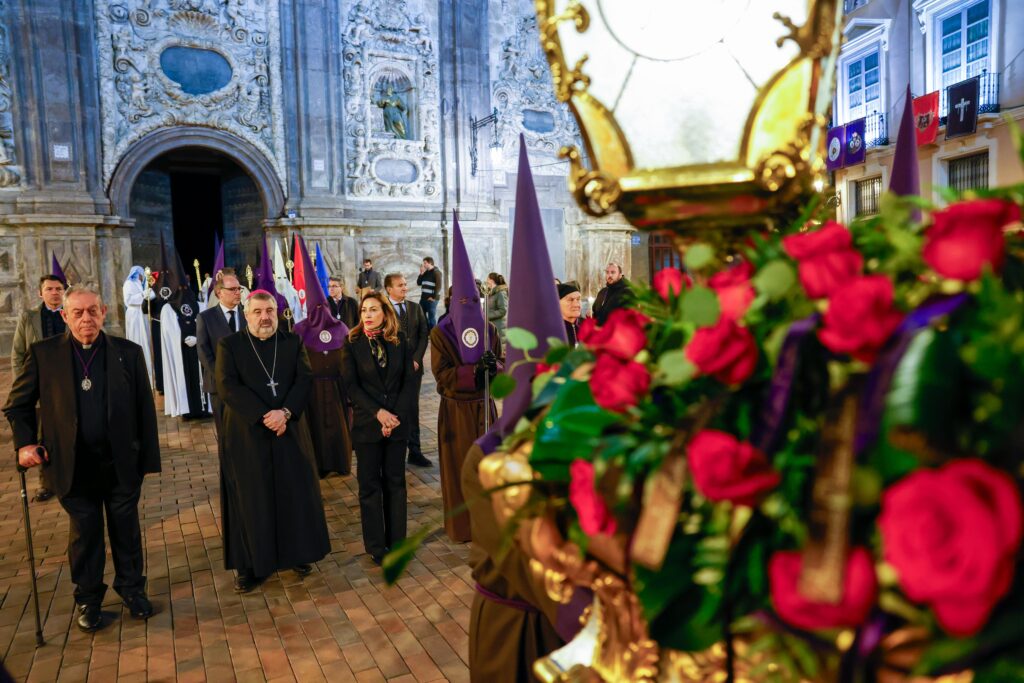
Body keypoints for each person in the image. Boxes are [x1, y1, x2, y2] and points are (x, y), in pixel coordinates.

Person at [4, 285, 160, 632]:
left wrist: (147, 460)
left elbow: (144, 411)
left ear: (104, 312)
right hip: (72, 465)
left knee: (126, 532)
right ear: (65, 316)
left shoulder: (127, 352)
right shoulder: (44, 355)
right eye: (78, 312)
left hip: (120, 463)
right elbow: (17, 404)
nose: (86, 318)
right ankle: (89, 598)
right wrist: (25, 444)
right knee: (85, 535)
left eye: (93, 311)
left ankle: (132, 590)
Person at [215, 290, 331, 593]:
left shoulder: (292, 342)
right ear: (246, 313)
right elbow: (226, 385)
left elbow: (304, 379)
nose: (265, 317)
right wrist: (264, 415)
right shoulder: (230, 345)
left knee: (293, 492)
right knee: (251, 498)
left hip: (288, 429)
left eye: (270, 311)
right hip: (247, 433)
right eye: (258, 312)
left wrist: (285, 413)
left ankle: (298, 553)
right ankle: (251, 565)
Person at [340, 292, 417, 565]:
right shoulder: (352, 343)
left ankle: (397, 543)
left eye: (373, 309)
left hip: (397, 423)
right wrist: (379, 413)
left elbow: (409, 382)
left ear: (385, 312)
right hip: (367, 425)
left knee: (395, 483)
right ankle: (376, 546)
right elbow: (352, 386)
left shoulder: (401, 341)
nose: (368, 315)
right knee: (370, 486)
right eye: (364, 311)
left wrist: (394, 416)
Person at [431, 290, 501, 542]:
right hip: (456, 411)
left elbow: (501, 366)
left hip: (483, 406)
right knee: (459, 467)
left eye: (474, 299)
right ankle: (463, 527)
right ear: (451, 302)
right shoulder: (440, 333)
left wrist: (494, 367)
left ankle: (489, 524)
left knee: (487, 466)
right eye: (462, 300)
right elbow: (441, 375)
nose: (469, 305)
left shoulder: (490, 330)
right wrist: (473, 371)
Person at [294, 242, 354, 477]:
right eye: (315, 307)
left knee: (340, 427)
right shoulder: (300, 330)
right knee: (316, 428)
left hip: (338, 387)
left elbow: (349, 357)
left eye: (323, 306)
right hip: (313, 389)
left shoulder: (340, 328)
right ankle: (320, 465)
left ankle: (341, 463)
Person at [10, 274, 67, 502]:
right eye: (50, 289)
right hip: (41, 384)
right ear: (40, 293)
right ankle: (47, 482)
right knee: (45, 435)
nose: (54, 292)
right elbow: (17, 354)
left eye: (58, 288)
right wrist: (22, 385)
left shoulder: (70, 314)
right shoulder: (30, 317)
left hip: (67, 382)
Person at [385, 273, 430, 468]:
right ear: (389, 289)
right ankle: (393, 453)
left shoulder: (415, 307)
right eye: (400, 285)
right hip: (391, 371)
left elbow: (423, 334)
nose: (405, 288)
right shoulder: (382, 310)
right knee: (393, 409)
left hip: (413, 368)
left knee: (412, 409)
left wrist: (416, 358)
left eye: (405, 284)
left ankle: (415, 451)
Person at [160, 253, 209, 419]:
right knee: (185, 379)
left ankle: (203, 409)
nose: (183, 292)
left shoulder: (200, 305)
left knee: (201, 378)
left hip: (199, 350)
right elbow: (168, 333)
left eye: (185, 289)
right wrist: (180, 339)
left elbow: (207, 328)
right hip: (180, 352)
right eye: (179, 289)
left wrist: (198, 338)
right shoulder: (168, 309)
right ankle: (187, 409)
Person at [197, 268, 243, 434]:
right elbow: (203, 351)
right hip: (219, 384)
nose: (237, 292)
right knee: (226, 431)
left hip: (247, 383)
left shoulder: (248, 313)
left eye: (239, 289)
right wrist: (221, 374)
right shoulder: (206, 317)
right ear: (219, 293)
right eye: (232, 289)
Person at [122, 266, 156, 387]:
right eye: (140, 274)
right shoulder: (128, 283)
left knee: (145, 341)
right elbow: (128, 300)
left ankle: (150, 373)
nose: (141, 276)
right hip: (134, 315)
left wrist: (148, 292)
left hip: (142, 315)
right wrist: (142, 295)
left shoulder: (140, 283)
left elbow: (151, 295)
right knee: (136, 339)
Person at [417, 256, 442, 329]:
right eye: (423, 263)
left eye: (425, 263)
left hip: (432, 299)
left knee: (431, 318)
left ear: (430, 263)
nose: (424, 265)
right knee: (422, 316)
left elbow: (439, 286)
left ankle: (433, 334)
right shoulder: (425, 273)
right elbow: (418, 283)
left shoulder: (437, 272)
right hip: (423, 298)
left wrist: (433, 297)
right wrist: (421, 273)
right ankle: (426, 333)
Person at [484, 273, 508, 346]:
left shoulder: (501, 292)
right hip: (492, 327)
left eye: (487, 279)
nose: (486, 281)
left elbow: (503, 310)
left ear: (491, 280)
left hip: (499, 329)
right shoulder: (491, 293)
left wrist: (487, 316)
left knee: (498, 353)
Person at [558, 282, 583, 348]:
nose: (576, 304)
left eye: (578, 299)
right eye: (570, 300)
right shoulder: (552, 330)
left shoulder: (586, 326)